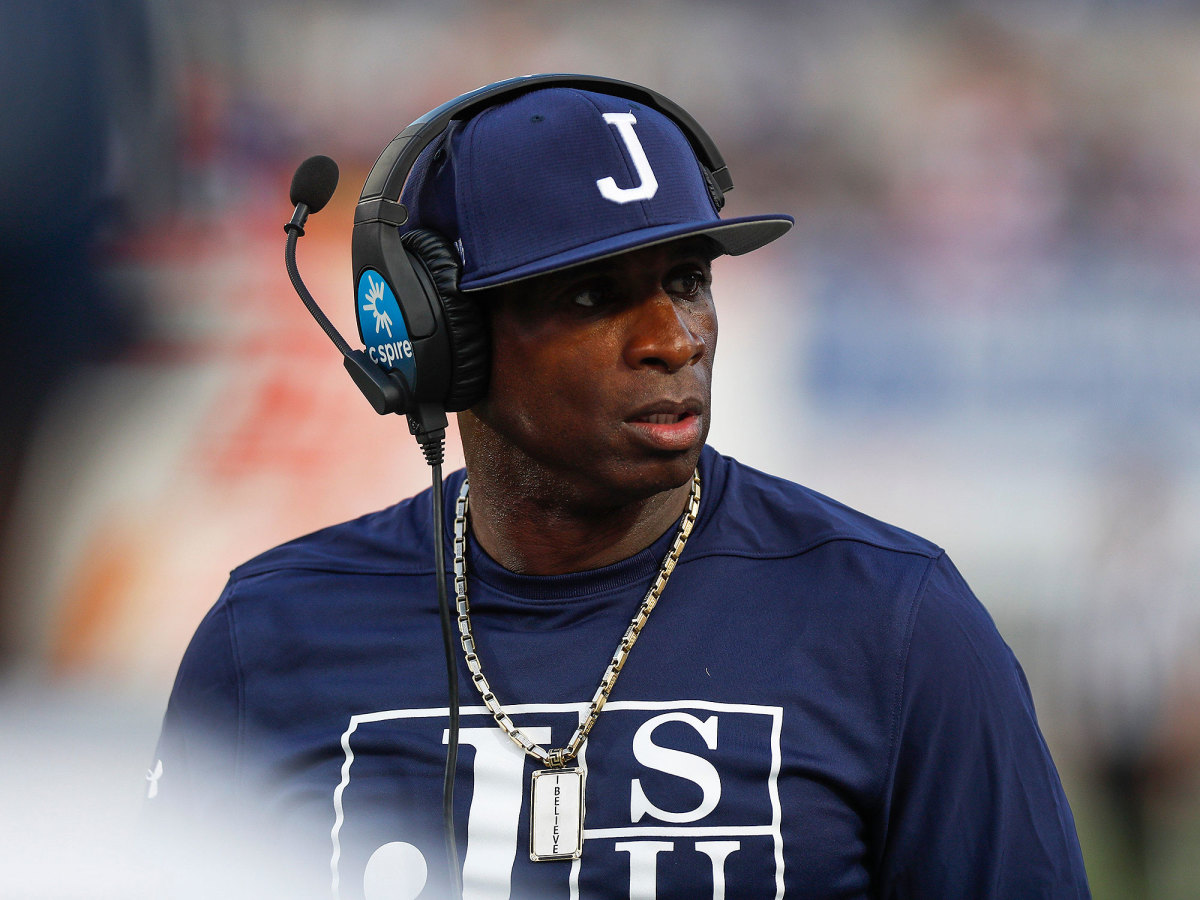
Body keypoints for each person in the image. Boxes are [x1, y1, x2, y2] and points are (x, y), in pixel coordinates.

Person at [147, 76, 1091, 899]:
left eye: (686, 280)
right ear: (445, 343)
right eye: (594, 296)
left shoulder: (898, 621)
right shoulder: (268, 638)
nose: (672, 339)